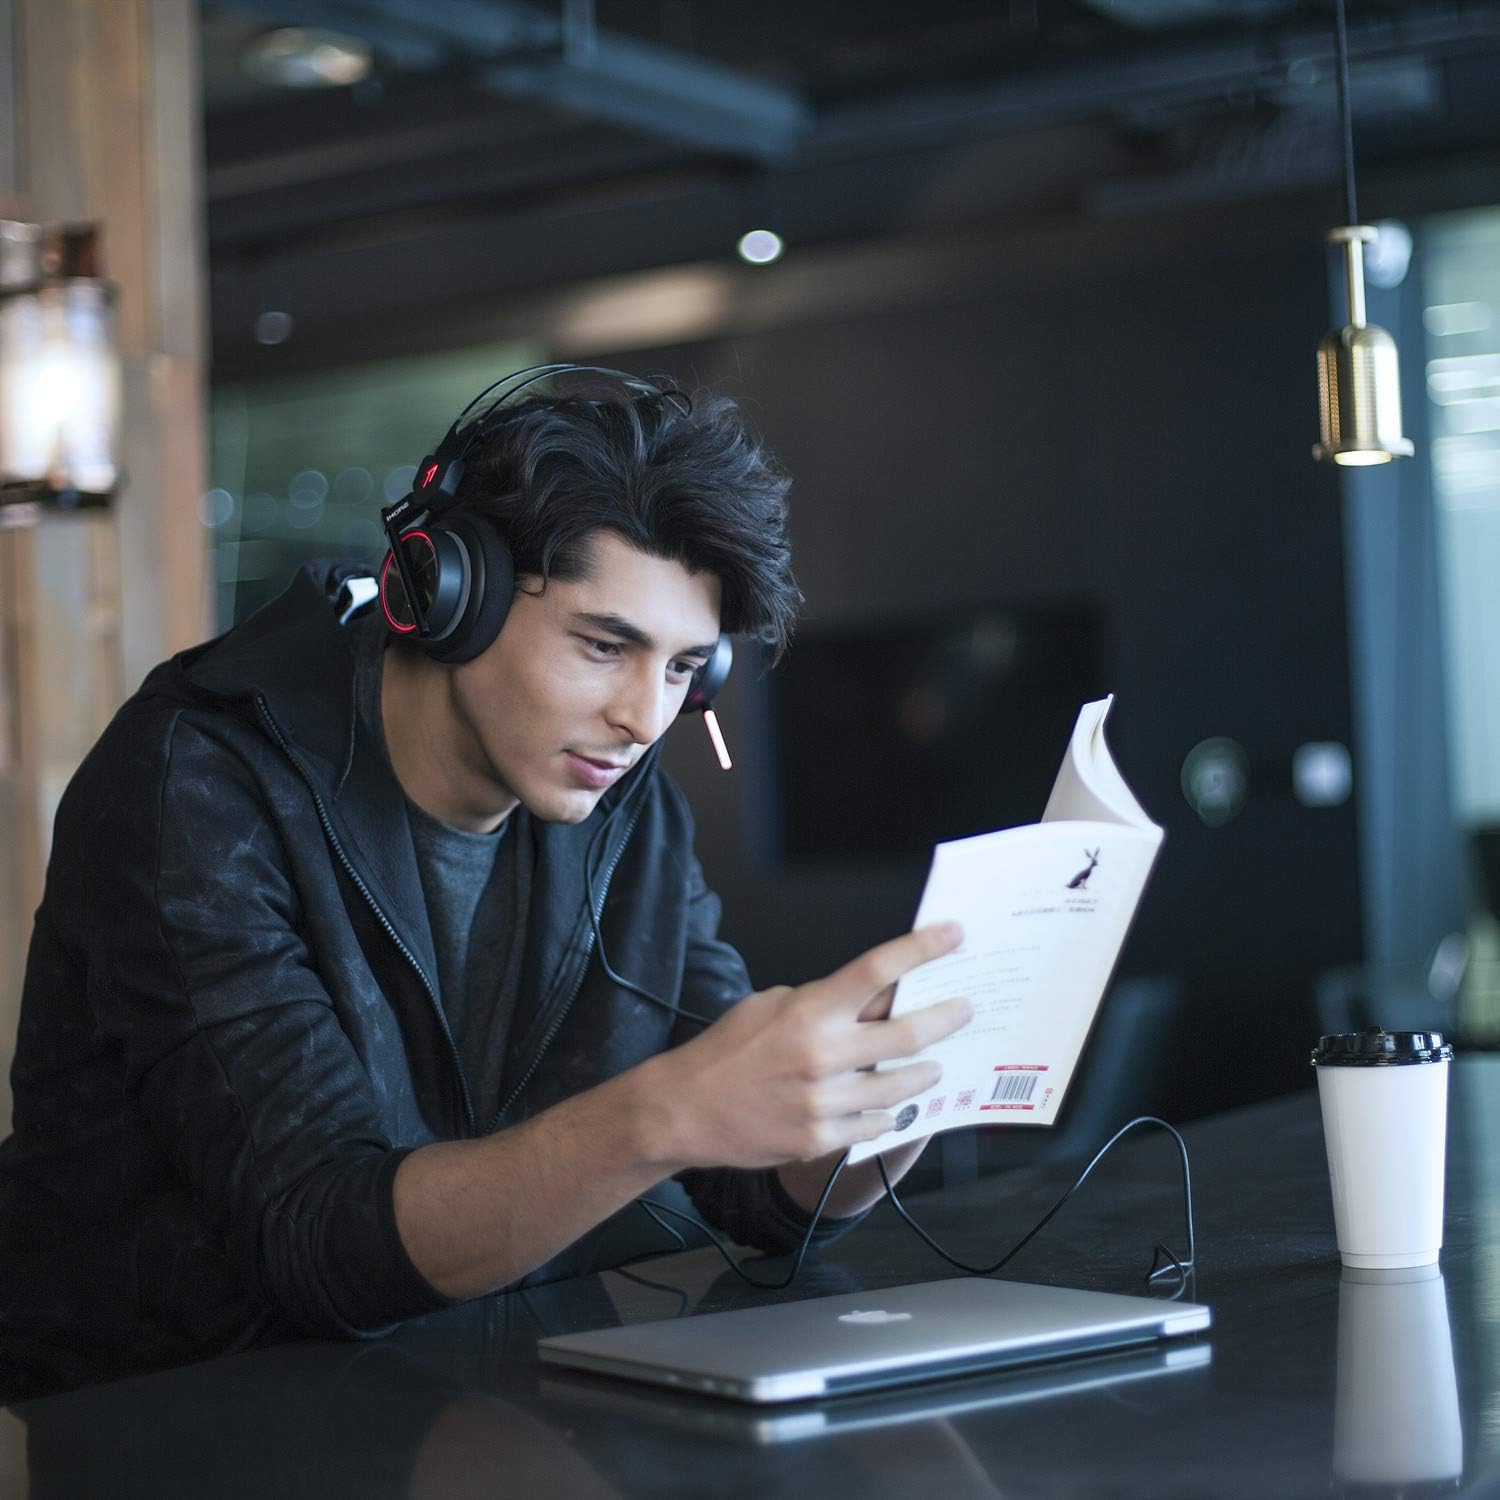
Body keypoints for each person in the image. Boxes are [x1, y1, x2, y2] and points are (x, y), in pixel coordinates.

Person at [0, 372, 970, 1399]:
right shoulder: (196, 783)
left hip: (465, 1398)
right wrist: (662, 1113)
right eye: (605, 646)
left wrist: (900, 1094)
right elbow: (317, 1236)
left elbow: (751, 1191)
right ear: (450, 596)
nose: (645, 719)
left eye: (686, 668)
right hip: (153, 1421)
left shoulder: (625, 809)